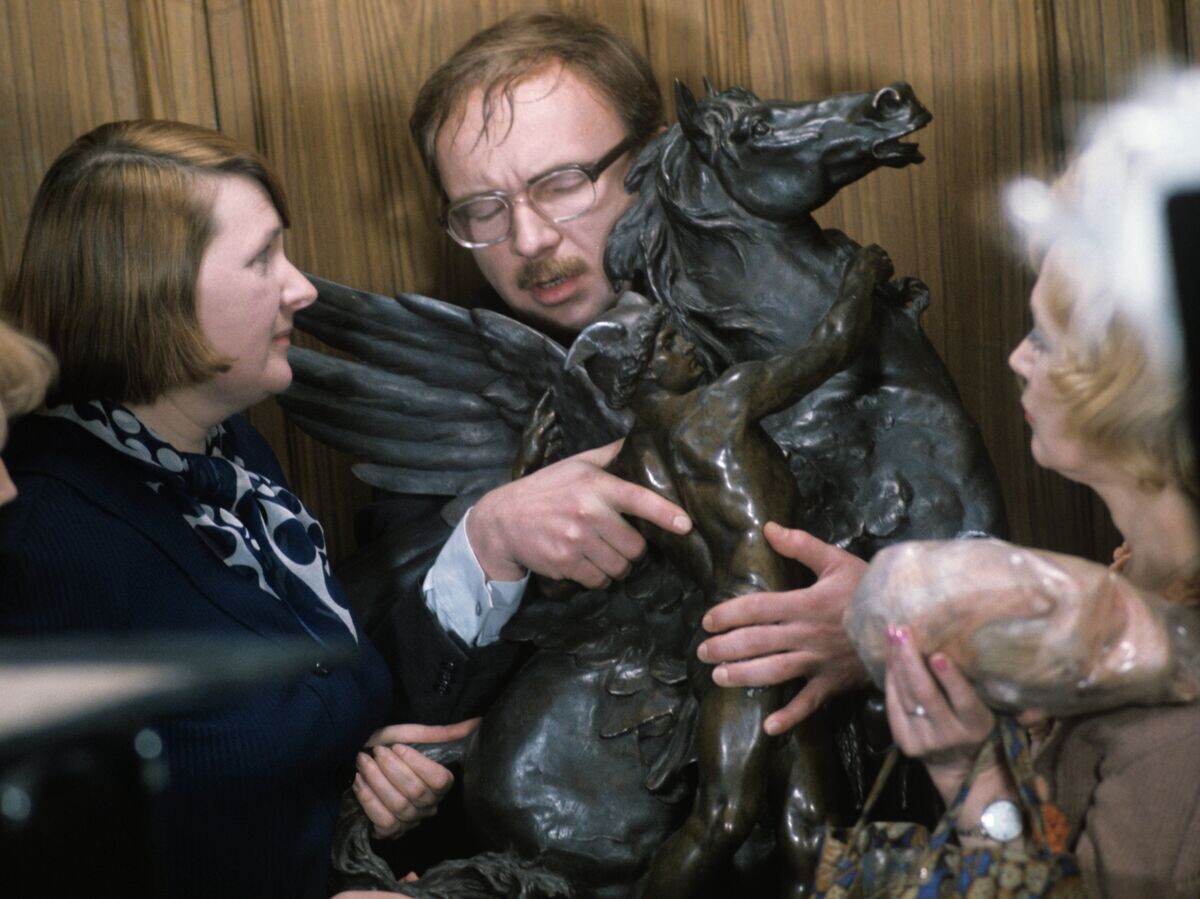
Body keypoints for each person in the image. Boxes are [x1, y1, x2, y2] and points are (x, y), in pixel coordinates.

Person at [0, 119, 460, 898]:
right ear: (151, 293)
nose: (302, 287)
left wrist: (369, 794)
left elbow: (254, 762)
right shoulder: (40, 533)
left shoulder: (230, 450)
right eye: (261, 258)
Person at [773, 76, 1200, 895]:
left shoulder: (1183, 732)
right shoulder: (1136, 571)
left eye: (1046, 337)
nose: (1017, 357)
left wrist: (971, 776)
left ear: (1137, 393)